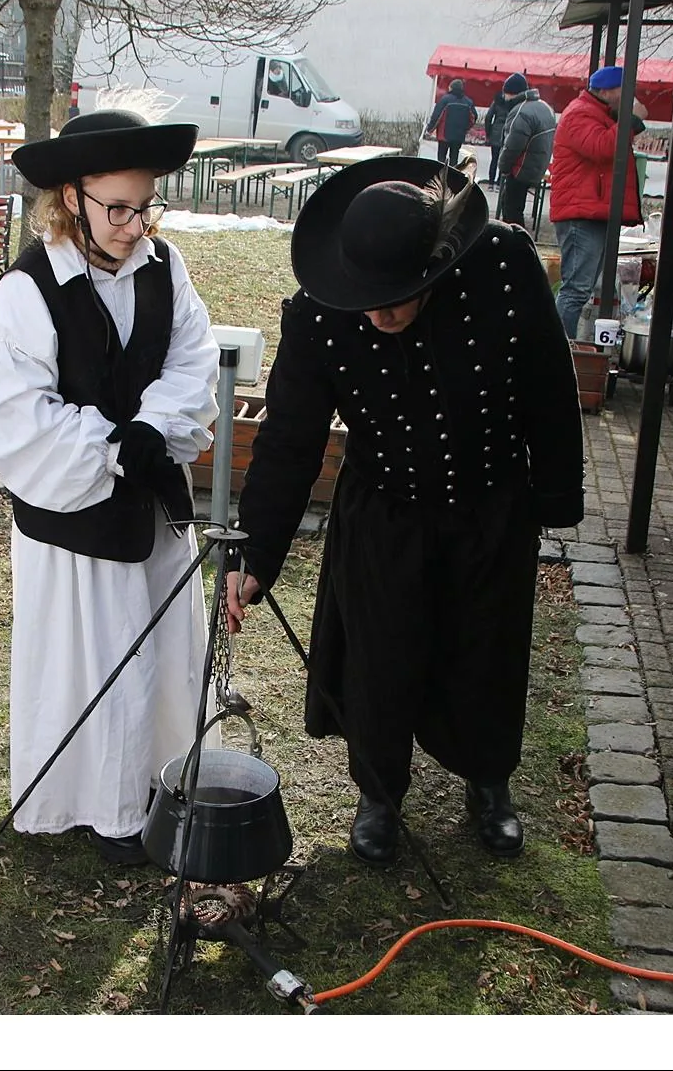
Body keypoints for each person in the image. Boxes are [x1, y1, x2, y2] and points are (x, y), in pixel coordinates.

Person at [224, 156, 585, 864]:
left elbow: (548, 381)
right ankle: (378, 794)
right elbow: (289, 440)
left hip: (490, 503)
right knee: (379, 661)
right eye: (368, 298)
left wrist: (554, 498)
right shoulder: (318, 313)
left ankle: (488, 782)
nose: (380, 313)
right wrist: (255, 556)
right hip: (383, 510)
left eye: (397, 296)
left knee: (486, 652)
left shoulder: (504, 265)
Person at [0, 106, 220, 866]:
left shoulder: (163, 266)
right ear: (69, 198)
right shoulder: (26, 290)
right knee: (92, 658)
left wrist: (153, 427)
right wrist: (114, 447)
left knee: (160, 651)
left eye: (145, 206)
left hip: (148, 502)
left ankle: (156, 783)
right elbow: (19, 413)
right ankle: (96, 806)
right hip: (74, 516)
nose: (133, 224)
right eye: (117, 208)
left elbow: (192, 358)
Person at [549, 65, 648, 339]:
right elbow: (603, 148)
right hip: (582, 214)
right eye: (623, 91)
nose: (630, 98)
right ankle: (558, 351)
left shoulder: (598, 113)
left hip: (591, 212)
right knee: (576, 289)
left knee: (584, 287)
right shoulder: (580, 113)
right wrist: (632, 120)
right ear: (605, 91)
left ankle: (564, 348)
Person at [496, 74, 558, 230]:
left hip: (520, 168)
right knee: (516, 207)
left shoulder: (521, 111)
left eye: (506, 92)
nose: (504, 96)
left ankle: (515, 245)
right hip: (538, 166)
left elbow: (512, 145)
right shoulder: (545, 107)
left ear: (512, 92)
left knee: (511, 210)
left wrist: (503, 167)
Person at [424, 79, 477, 167]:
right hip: (459, 136)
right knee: (454, 160)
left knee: (441, 160)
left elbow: (436, 117)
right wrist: (466, 128)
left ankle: (441, 176)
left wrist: (429, 130)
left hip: (444, 135)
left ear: (451, 88)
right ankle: (452, 178)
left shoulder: (445, 100)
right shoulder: (468, 102)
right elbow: (473, 118)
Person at [483, 77, 518, 187]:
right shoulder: (514, 103)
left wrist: (488, 133)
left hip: (496, 131)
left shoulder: (496, 101)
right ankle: (499, 183)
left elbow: (488, 117)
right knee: (504, 159)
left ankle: (491, 182)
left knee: (494, 159)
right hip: (508, 132)